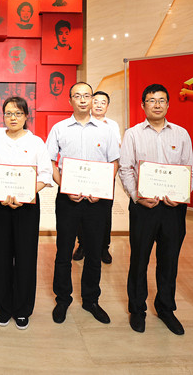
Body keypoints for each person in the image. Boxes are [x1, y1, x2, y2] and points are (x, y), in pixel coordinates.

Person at [119, 84, 192, 335]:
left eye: (162, 100)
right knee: (139, 259)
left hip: (173, 209)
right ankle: (137, 309)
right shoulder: (133, 134)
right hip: (144, 207)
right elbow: (125, 168)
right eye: (151, 100)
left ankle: (166, 308)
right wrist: (137, 196)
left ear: (168, 104)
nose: (157, 105)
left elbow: (189, 169)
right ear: (143, 105)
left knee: (169, 260)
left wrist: (181, 196)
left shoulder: (181, 134)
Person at [47, 82, 120, 325]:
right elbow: (49, 163)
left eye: (86, 96)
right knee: (64, 250)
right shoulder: (59, 128)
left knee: (94, 251)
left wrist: (101, 189)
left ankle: (91, 300)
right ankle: (62, 299)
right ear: (70, 100)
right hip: (67, 199)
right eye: (77, 96)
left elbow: (114, 162)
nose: (82, 100)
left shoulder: (106, 130)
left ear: (92, 99)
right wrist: (64, 187)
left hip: (97, 201)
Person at [0, 97, 53, 330]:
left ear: (26, 116)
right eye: (9, 113)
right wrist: (1, 194)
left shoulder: (36, 142)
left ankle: (22, 309)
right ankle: (3, 308)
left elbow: (45, 174)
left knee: (26, 257)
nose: (13, 118)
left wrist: (25, 194)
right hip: (0, 206)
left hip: (28, 207)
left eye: (18, 113)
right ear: (3, 116)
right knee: (2, 257)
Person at [73, 91, 121, 264]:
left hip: (105, 176)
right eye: (96, 101)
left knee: (104, 213)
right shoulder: (82, 123)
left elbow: (116, 151)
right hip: (83, 174)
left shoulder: (112, 126)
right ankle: (82, 245)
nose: (99, 105)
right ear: (90, 104)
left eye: (103, 102)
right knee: (81, 209)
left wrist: (107, 180)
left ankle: (103, 247)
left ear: (107, 106)